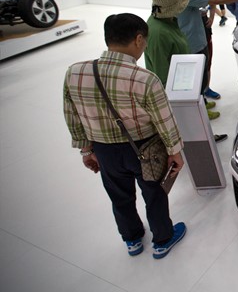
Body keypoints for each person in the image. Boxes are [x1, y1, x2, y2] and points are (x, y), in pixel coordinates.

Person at [63, 13, 187, 259]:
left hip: (103, 149)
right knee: (154, 193)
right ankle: (162, 240)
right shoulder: (145, 79)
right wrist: (175, 151)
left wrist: (86, 150)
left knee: (119, 196)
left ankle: (132, 239)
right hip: (144, 148)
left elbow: (72, 115)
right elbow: (164, 120)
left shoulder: (75, 72)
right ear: (139, 39)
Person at [144, 0, 190, 85]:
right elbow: (162, 76)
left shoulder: (167, 21)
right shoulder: (159, 34)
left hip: (181, 80)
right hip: (174, 87)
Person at [188, 0, 221, 101]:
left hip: (205, 30)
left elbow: (213, 2)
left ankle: (206, 89)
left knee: (207, 61)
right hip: (189, 36)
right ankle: (196, 97)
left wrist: (212, 17)